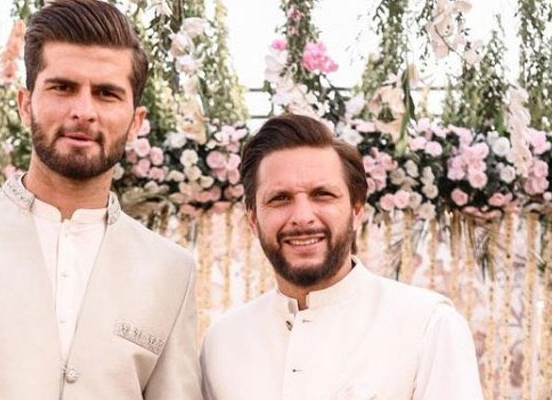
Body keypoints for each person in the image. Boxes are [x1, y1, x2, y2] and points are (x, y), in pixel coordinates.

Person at [0, 1, 202, 399]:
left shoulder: (171, 271)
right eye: (63, 87)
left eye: (106, 94)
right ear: (25, 103)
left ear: (136, 121)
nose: (83, 111)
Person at [200, 114, 483, 400]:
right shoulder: (223, 343)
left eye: (322, 195)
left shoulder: (428, 326)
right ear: (253, 220)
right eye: (280, 198)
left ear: (357, 209)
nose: (302, 217)